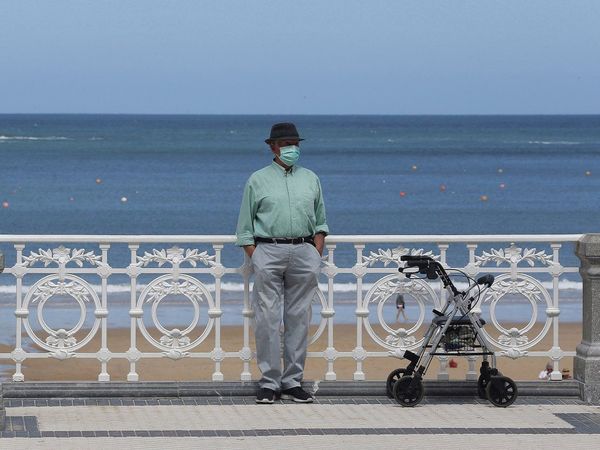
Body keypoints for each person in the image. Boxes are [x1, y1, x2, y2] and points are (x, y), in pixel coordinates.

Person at [236, 122, 329, 404]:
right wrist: (258, 256)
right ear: (273, 147)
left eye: (296, 144)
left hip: (304, 251)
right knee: (267, 320)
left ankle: (292, 382)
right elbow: (244, 226)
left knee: (299, 319)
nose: (292, 149)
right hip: (268, 250)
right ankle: (269, 382)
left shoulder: (311, 178)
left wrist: (316, 251)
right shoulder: (257, 180)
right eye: (287, 144)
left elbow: (321, 220)